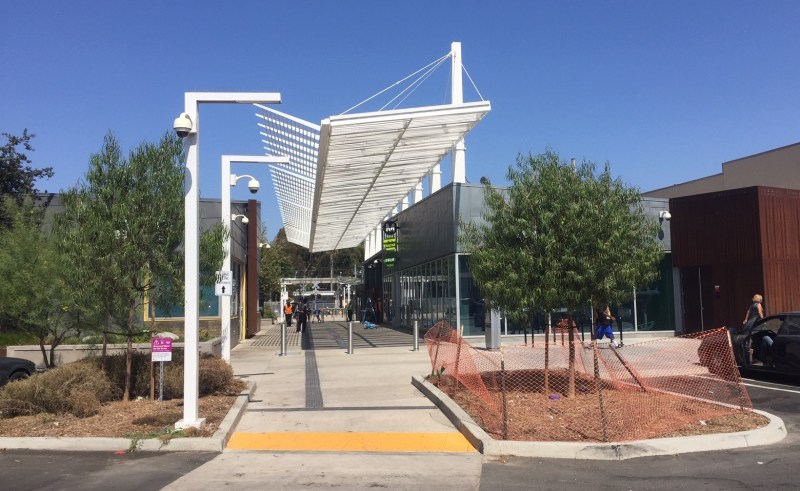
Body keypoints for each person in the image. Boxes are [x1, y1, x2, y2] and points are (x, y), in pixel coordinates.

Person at [740, 294, 764, 364]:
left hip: (751, 321)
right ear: (759, 299)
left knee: (749, 335)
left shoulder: (752, 305)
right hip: (757, 321)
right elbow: (760, 312)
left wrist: (746, 320)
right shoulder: (758, 304)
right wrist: (764, 319)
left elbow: (748, 312)